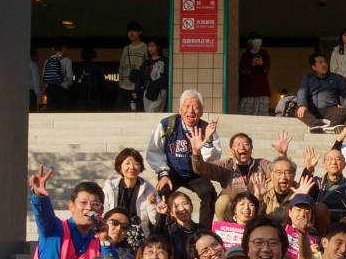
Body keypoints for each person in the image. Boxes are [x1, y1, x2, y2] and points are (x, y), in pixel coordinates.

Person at [145, 89, 222, 225]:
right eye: (187, 106)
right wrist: (163, 173)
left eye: (196, 107)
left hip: (196, 174)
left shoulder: (206, 129)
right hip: (172, 172)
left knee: (209, 193)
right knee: (162, 192)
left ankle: (204, 231)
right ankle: (162, 228)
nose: (191, 111)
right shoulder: (167, 124)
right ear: (180, 110)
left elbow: (212, 159)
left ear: (201, 112)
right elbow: (154, 151)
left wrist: (208, 140)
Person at [196, 130, 288, 221]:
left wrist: (282, 155)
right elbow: (202, 169)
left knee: (273, 184)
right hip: (234, 212)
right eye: (237, 145)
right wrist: (196, 153)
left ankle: (270, 224)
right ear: (231, 150)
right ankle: (228, 228)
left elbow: (278, 172)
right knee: (222, 201)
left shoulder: (261, 164)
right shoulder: (226, 165)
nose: (242, 147)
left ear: (251, 148)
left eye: (246, 144)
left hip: (258, 209)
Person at [101, 148, 159, 237]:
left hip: (139, 236)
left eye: (136, 163)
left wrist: (152, 205)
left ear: (140, 167)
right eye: (127, 163)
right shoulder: (110, 187)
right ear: (120, 167)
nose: (132, 167)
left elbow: (155, 221)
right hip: (115, 234)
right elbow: (104, 214)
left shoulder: (149, 188)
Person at [294, 52, 346, 132]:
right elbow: (302, 92)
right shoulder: (308, 77)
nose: (324, 64)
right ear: (314, 67)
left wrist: (344, 105)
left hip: (330, 108)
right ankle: (317, 125)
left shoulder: (336, 78)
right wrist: (302, 105)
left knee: (343, 111)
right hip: (312, 109)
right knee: (299, 110)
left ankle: (333, 126)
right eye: (320, 62)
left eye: (325, 62)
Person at [238, 33, 272, 116]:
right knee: (246, 115)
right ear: (250, 42)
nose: (258, 44)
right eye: (256, 42)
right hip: (248, 91)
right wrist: (251, 64)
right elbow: (243, 71)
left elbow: (266, 69)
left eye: (260, 42)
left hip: (262, 91)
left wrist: (262, 64)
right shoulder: (246, 55)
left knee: (262, 116)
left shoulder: (264, 54)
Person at [116, 21, 147, 111]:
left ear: (140, 32)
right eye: (129, 31)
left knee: (139, 112)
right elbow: (121, 66)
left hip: (138, 87)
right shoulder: (126, 48)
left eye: (134, 30)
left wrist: (142, 84)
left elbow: (147, 67)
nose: (131, 33)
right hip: (124, 86)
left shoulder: (145, 48)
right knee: (120, 112)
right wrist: (120, 83)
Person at [41, 43, 74, 112]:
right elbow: (69, 76)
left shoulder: (48, 60)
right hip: (61, 90)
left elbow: (43, 75)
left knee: (51, 111)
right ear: (64, 48)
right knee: (61, 113)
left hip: (50, 90)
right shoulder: (67, 60)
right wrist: (68, 85)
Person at [139, 38, 168, 112]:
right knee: (148, 112)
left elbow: (166, 77)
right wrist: (136, 90)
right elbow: (141, 76)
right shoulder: (146, 62)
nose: (150, 48)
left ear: (158, 47)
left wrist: (158, 85)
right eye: (149, 46)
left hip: (159, 91)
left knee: (153, 111)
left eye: (153, 46)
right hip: (148, 90)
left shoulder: (165, 61)